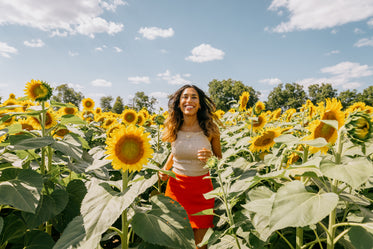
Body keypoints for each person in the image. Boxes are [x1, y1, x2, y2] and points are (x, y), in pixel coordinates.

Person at [159, 84, 222, 249]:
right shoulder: (174, 127)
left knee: (200, 244)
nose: (189, 100)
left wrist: (211, 158)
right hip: (176, 189)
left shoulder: (210, 129)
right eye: (185, 97)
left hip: (202, 191)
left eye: (194, 97)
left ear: (200, 103)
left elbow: (219, 159)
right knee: (175, 241)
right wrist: (165, 169)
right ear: (179, 103)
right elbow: (175, 153)